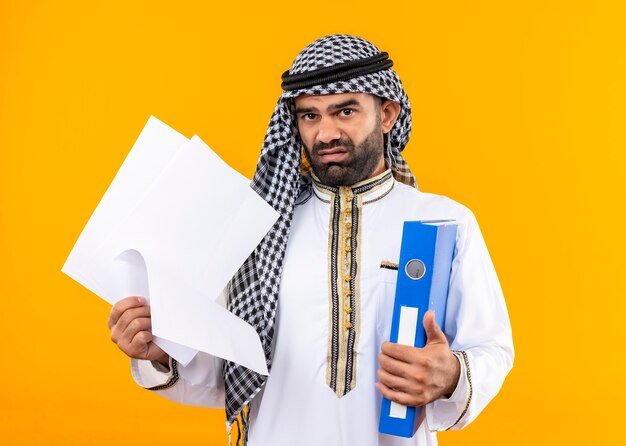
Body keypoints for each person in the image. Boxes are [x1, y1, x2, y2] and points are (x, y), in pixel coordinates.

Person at [108, 34, 514, 445]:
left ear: (388, 114)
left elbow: (491, 349)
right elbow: (228, 374)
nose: (325, 133)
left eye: (345, 111)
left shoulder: (444, 222)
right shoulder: (261, 227)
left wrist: (452, 376)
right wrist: (158, 352)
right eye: (310, 116)